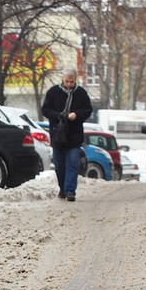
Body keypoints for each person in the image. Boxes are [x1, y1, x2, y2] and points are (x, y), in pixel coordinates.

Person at [41, 69, 93, 202]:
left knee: (72, 163)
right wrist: (58, 115)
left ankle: (70, 191)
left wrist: (77, 114)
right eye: (67, 81)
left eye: (71, 82)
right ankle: (62, 189)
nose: (69, 84)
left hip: (74, 136)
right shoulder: (53, 92)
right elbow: (45, 110)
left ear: (75, 81)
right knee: (59, 166)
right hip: (58, 135)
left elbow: (88, 110)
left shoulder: (81, 93)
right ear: (62, 80)